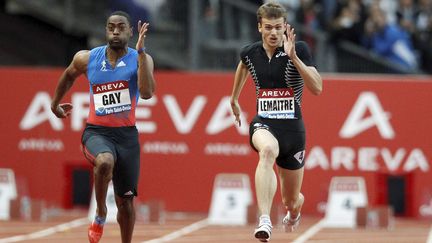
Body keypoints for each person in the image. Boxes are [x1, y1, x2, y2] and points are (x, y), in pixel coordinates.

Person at [50, 11, 156, 243]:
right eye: (111, 27)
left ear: (130, 31)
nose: (115, 31)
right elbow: (68, 75)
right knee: (105, 161)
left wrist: (140, 53)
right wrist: (55, 103)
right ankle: (100, 213)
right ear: (106, 30)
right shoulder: (87, 58)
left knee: (126, 202)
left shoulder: (142, 58)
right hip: (97, 133)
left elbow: (147, 93)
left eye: (121, 27)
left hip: (127, 137)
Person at [230, 2, 322, 242]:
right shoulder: (250, 52)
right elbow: (243, 66)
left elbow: (317, 88)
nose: (273, 33)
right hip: (265, 124)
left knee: (290, 200)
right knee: (267, 151)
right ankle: (264, 219)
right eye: (268, 27)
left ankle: (294, 211)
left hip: (293, 132)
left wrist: (295, 59)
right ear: (260, 27)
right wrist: (234, 98)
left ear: (285, 28)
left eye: (278, 28)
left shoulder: (299, 48)